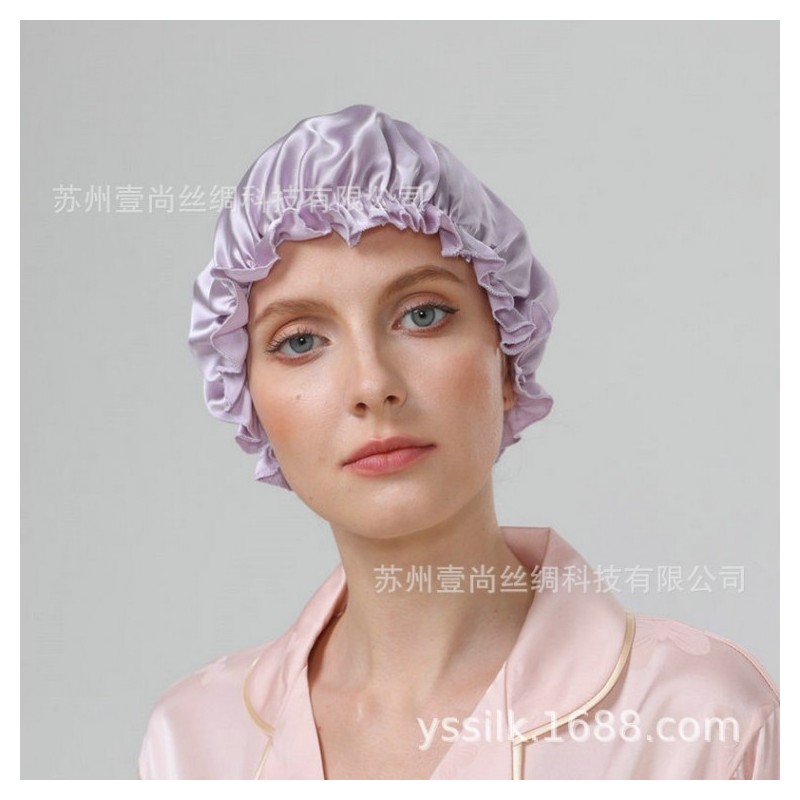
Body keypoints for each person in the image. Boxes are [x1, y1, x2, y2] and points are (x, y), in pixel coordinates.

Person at [137, 104, 779, 780]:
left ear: (507, 358)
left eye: (422, 314)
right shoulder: (195, 743)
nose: (372, 385)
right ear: (248, 399)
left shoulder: (705, 724)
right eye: (299, 341)